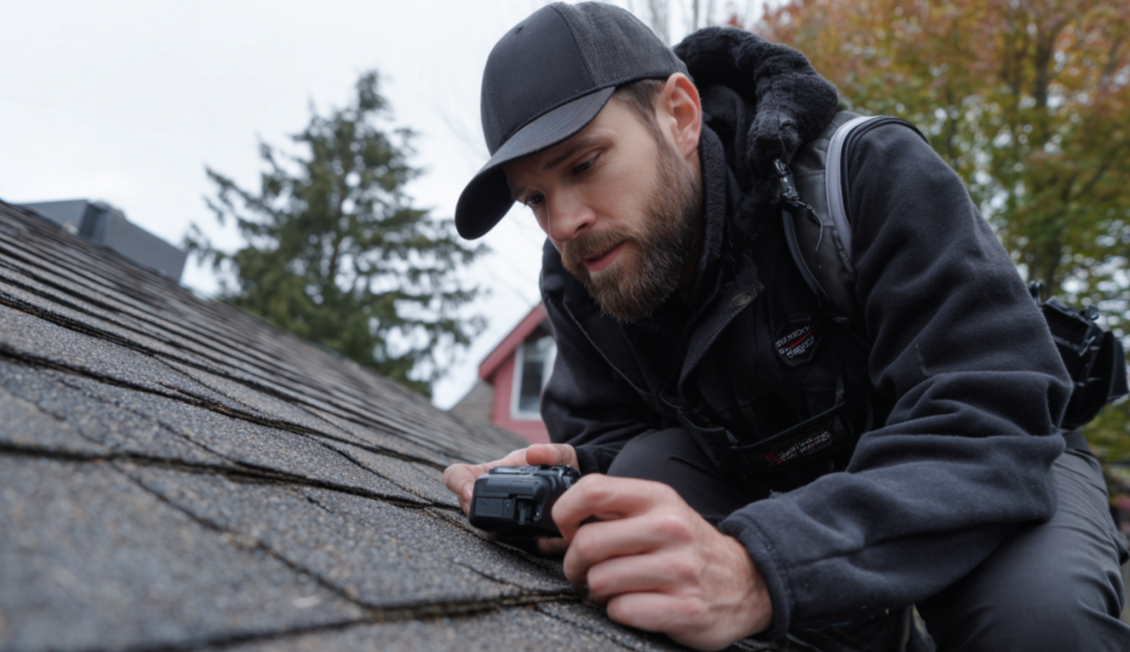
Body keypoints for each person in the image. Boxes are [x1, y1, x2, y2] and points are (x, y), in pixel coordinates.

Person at [443, 3, 1130, 651]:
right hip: (787, 500)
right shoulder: (584, 271)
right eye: (536, 199)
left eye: (585, 164)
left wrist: (758, 569)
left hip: (990, 456)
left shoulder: (866, 172)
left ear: (680, 116)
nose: (565, 223)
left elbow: (988, 413)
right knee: (636, 485)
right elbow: (619, 437)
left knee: (1043, 620)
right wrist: (576, 484)